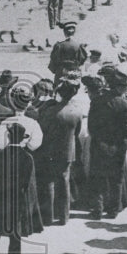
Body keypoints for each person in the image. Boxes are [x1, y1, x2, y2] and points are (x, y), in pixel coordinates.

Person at [0, 122, 44, 254]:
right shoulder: (27, 157)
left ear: (9, 136)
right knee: (15, 235)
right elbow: (26, 183)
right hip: (16, 200)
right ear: (22, 138)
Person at [35, 76, 84, 225]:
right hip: (67, 151)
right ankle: (64, 216)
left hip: (50, 150)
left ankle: (48, 216)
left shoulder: (51, 111)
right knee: (64, 182)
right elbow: (76, 133)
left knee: (49, 182)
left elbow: (42, 129)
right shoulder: (76, 112)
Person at [87, 69, 127, 220]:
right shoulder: (125, 104)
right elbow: (126, 129)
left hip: (99, 144)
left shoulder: (97, 100)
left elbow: (91, 126)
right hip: (117, 146)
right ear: (119, 87)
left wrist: (99, 140)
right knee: (116, 179)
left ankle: (97, 209)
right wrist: (121, 144)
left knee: (97, 178)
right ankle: (113, 209)